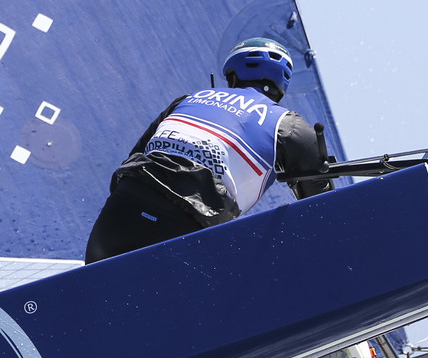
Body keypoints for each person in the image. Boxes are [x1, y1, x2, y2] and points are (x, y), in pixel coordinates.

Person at [85, 37, 333, 263]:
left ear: (232, 75)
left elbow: (135, 156)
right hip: (186, 224)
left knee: (91, 293)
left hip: (119, 212)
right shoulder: (287, 124)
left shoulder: (187, 100)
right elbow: (322, 207)